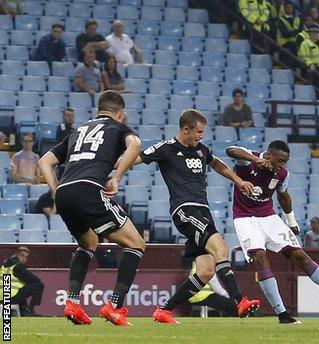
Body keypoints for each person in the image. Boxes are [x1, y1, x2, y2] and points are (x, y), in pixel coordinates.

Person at [129, 109, 260, 324]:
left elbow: (216, 163)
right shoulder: (166, 148)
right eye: (198, 132)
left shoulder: (201, 150)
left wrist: (238, 180)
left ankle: (164, 311)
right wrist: (109, 168)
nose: (201, 136)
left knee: (206, 271)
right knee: (221, 249)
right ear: (186, 129)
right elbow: (136, 159)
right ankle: (240, 300)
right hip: (185, 210)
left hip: (202, 211)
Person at [37, 90, 145, 326]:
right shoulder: (118, 127)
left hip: (65, 192)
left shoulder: (79, 130)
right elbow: (135, 144)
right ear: (120, 113)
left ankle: (72, 304)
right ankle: (114, 306)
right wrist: (117, 177)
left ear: (98, 111)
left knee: (89, 243)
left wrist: (56, 190)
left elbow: (44, 161)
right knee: (136, 244)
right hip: (89, 189)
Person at [226, 142, 319, 324]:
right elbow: (231, 150)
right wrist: (255, 159)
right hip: (245, 218)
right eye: (279, 160)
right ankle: (282, 314)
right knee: (260, 257)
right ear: (269, 154)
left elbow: (283, 195)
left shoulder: (282, 174)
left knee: (301, 257)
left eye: (285, 162)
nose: (282, 165)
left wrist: (291, 221)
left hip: (270, 218)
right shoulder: (249, 159)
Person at [0, 247, 44, 316]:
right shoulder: (17, 266)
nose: (24, 259)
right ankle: (30, 310)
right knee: (39, 285)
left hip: (2, 297)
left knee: (22, 288)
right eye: (22, 255)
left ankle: (24, 311)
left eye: (26, 257)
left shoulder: (7, 262)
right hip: (10, 297)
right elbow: (33, 279)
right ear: (17, 254)